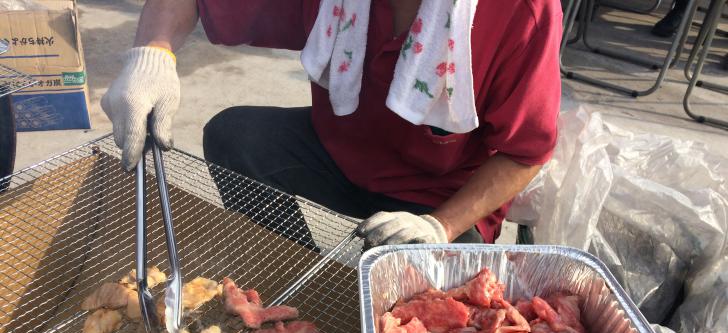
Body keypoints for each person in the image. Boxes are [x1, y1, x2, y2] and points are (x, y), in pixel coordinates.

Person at [102, 1, 563, 248]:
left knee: (439, 329)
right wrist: (151, 55)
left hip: (438, 194)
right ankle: (293, 273)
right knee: (234, 136)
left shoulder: (520, 10)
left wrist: (440, 226)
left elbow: (525, 152)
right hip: (337, 151)